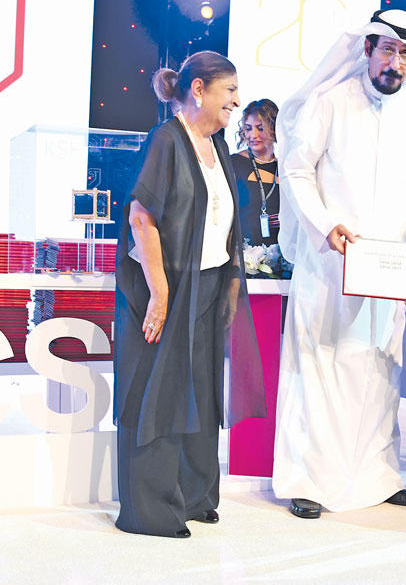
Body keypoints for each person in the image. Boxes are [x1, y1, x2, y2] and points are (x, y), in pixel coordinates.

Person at [272, 9, 406, 518]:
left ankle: (378, 477)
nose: (397, 62)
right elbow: (298, 171)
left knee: (379, 369)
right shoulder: (330, 101)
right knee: (319, 368)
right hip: (331, 264)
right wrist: (326, 225)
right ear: (368, 49)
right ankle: (307, 480)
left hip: (391, 267)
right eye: (388, 50)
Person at [113, 51, 266, 538]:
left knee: (199, 390)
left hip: (206, 288)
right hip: (168, 290)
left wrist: (231, 280)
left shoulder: (216, 145)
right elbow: (142, 218)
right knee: (157, 394)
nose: (236, 102)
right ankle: (151, 510)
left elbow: (224, 220)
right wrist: (159, 293)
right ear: (199, 90)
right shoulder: (166, 139)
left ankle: (194, 495)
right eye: (230, 91)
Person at [230, 98, 280, 247]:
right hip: (245, 252)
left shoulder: (286, 168)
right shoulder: (234, 163)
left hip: (280, 252)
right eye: (248, 128)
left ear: (274, 129)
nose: (253, 135)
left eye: (260, 128)